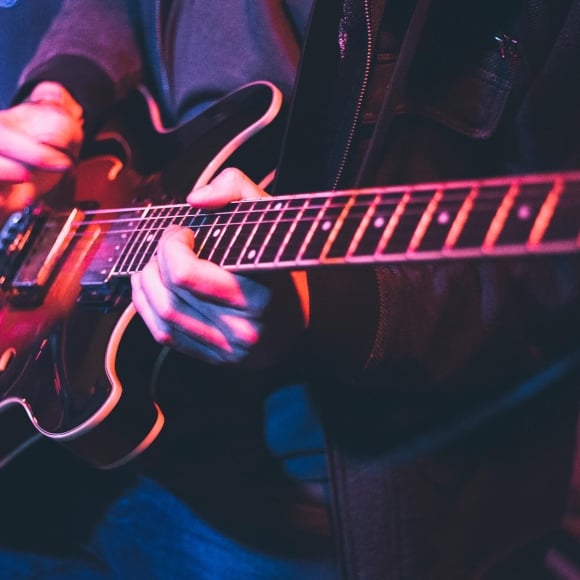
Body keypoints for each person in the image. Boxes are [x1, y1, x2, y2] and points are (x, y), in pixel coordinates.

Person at [0, 0, 580, 578]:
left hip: (288, 507)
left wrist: (318, 311)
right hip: (51, 450)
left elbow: (547, 288)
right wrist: (60, 90)